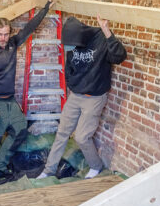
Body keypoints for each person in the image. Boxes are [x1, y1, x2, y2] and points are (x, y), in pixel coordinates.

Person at [37, 15, 127, 179]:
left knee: (82, 137)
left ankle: (96, 166)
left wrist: (106, 30)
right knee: (62, 132)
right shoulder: (71, 44)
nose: (71, 48)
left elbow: (119, 56)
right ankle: (48, 170)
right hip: (75, 95)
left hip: (94, 97)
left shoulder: (100, 38)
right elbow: (69, 67)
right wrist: (72, 84)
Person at [0, 0, 54, 180]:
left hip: (10, 100)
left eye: (6, 33)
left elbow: (30, 27)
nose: (4, 38)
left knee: (20, 130)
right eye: (0, 34)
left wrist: (46, 8)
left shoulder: (12, 44)